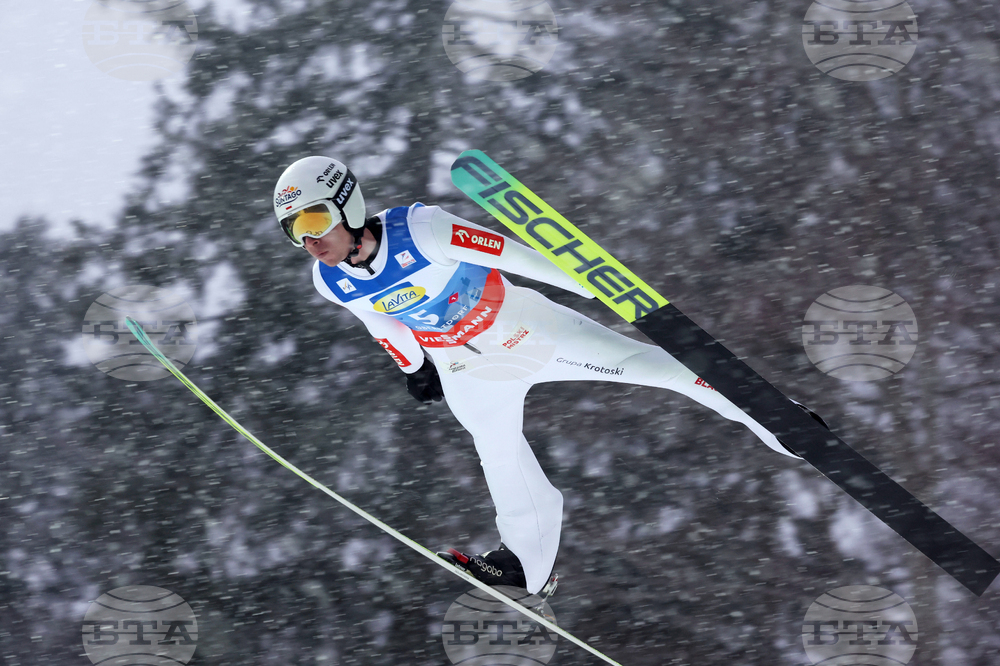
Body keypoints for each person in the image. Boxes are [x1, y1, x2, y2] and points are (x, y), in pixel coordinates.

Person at [273, 156, 800, 596]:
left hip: (527, 331)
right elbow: (379, 320)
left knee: (659, 371)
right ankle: (528, 563)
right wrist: (414, 369)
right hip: (464, 367)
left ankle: (779, 423)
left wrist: (597, 286)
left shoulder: (424, 230)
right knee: (498, 452)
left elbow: (514, 254)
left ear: (348, 206)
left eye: (315, 221)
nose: (310, 240)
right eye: (295, 231)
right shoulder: (329, 280)